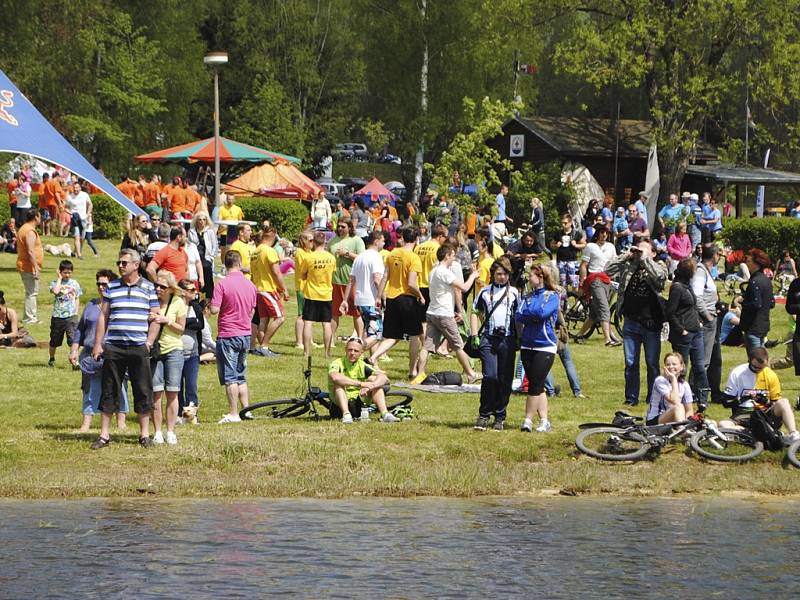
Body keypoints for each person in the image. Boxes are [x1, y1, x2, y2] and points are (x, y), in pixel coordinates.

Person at [90, 249, 161, 449]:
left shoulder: (148, 288)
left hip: (139, 346)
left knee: (142, 389)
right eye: (119, 262)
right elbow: (103, 316)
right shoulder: (111, 287)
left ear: (136, 265)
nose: (120, 266)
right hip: (114, 346)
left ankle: (144, 434)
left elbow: (155, 316)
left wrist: (149, 342)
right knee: (109, 389)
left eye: (124, 263)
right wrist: (98, 343)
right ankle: (104, 435)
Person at [606, 240, 668, 407]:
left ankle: (653, 398)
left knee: (652, 363)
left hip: (651, 323)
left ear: (653, 253)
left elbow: (660, 278)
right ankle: (631, 397)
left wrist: (645, 259)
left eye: (644, 249)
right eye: (638, 249)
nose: (639, 252)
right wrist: (625, 255)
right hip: (631, 322)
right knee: (631, 362)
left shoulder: (660, 265)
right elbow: (607, 270)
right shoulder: (629, 265)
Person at [69, 270, 129, 432]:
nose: (101, 287)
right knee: (89, 388)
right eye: (99, 284)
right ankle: (86, 422)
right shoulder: (90, 305)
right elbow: (80, 329)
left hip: (113, 353)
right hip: (90, 354)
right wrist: (74, 350)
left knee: (119, 387)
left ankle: (121, 422)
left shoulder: (118, 305)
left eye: (105, 284)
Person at [414, 244, 482, 384]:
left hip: (432, 312)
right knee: (458, 345)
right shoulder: (445, 272)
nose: (454, 258)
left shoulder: (434, 271)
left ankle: (419, 374)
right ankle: (470, 374)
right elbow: (463, 288)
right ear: (447, 256)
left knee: (427, 347)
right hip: (444, 314)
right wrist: (473, 276)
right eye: (452, 255)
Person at [469, 256, 519, 431]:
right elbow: (475, 311)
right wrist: (475, 334)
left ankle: (500, 416)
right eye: (499, 274)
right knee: (490, 376)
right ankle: (484, 414)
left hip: (508, 340)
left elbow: (519, 316)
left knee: (505, 379)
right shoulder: (484, 291)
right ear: (493, 274)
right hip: (488, 339)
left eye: (505, 274)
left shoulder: (514, 292)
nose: (502, 277)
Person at [211, 250, 258, 424]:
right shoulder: (250, 285)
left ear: (225, 264)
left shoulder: (222, 285)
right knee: (241, 375)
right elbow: (253, 309)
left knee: (230, 376)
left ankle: (233, 413)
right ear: (239, 263)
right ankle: (247, 410)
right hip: (245, 333)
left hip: (228, 333)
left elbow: (215, 309)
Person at [370, 227, 425, 377]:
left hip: (392, 298)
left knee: (393, 335)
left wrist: (379, 296)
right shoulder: (414, 258)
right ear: (416, 240)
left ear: (403, 238)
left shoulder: (392, 253)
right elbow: (412, 283)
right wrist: (420, 295)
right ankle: (412, 370)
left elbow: (385, 277)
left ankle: (374, 357)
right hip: (407, 299)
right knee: (415, 335)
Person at [719, 347, 800, 443]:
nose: (758, 370)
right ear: (749, 360)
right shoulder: (737, 373)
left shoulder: (770, 375)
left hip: (764, 414)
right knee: (722, 425)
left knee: (784, 402)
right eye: (755, 367)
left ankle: (793, 434)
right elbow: (726, 402)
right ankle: (751, 434)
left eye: (761, 368)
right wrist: (746, 397)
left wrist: (763, 400)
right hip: (744, 414)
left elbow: (775, 402)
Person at [516, 262, 560, 433]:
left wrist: (532, 315)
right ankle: (544, 420)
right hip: (527, 344)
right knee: (538, 384)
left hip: (545, 345)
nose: (528, 278)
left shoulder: (552, 296)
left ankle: (527, 419)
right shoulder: (527, 296)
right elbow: (519, 315)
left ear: (540, 277)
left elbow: (543, 314)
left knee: (534, 384)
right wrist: (533, 315)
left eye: (531, 275)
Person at [149, 270, 187, 445]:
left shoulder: (178, 302)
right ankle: (157, 431)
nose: (158, 289)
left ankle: (170, 431)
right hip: (155, 351)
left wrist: (167, 321)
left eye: (162, 287)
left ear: (171, 289)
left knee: (172, 391)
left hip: (173, 350)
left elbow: (181, 329)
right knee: (156, 392)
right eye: (156, 285)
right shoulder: (151, 301)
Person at [666, 258, 710, 410]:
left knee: (699, 366)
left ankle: (703, 397)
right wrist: (681, 329)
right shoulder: (677, 288)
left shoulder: (687, 286)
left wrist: (698, 321)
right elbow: (670, 312)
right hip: (683, 333)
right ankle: (679, 396)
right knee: (681, 367)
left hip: (695, 331)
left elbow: (692, 307)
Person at [328, 337, 399, 424]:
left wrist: (371, 386)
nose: (352, 353)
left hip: (358, 404)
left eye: (356, 351)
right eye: (350, 350)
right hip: (338, 407)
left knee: (374, 382)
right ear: (345, 350)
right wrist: (361, 384)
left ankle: (385, 414)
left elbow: (384, 378)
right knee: (338, 384)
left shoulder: (362, 365)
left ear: (361, 353)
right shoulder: (337, 363)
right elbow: (334, 377)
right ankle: (346, 414)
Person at [340, 231, 386, 349]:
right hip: (371, 300)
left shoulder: (360, 257)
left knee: (369, 331)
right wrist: (382, 296)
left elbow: (351, 280)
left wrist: (345, 300)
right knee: (378, 334)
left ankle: (371, 362)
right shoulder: (376, 256)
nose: (384, 243)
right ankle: (356, 349)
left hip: (360, 300)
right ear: (376, 242)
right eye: (383, 241)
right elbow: (377, 279)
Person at [576, 225, 619, 345]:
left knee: (595, 313)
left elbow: (615, 263)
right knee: (604, 308)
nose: (604, 235)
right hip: (595, 279)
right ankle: (608, 340)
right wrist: (581, 283)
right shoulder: (590, 246)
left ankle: (579, 335)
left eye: (606, 233)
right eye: (602, 232)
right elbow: (584, 265)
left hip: (608, 280)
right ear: (597, 234)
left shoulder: (611, 247)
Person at [251, 226, 289, 357]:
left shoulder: (256, 251)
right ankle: (264, 345)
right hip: (268, 289)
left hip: (258, 289)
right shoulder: (269, 251)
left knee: (264, 320)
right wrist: (284, 288)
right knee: (280, 318)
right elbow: (276, 272)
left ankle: (263, 348)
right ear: (273, 237)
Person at [297, 231, 336, 357]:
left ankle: (306, 352)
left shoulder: (309, 257)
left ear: (313, 242)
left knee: (308, 322)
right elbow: (333, 273)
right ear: (325, 242)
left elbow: (302, 274)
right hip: (326, 294)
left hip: (311, 294)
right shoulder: (331, 257)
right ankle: (327, 352)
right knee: (327, 324)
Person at [692, 244, 721, 406]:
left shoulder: (706, 271)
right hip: (705, 320)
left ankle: (701, 390)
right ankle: (695, 391)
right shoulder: (700, 271)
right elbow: (697, 296)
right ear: (715, 255)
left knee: (708, 359)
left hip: (711, 318)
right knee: (702, 359)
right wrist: (707, 315)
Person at [329, 219, 365, 342]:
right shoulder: (333, 241)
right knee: (334, 313)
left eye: (343, 227)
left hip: (353, 282)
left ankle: (359, 338)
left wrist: (347, 254)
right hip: (336, 281)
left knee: (356, 313)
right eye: (338, 226)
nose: (340, 229)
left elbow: (362, 258)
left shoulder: (356, 241)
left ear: (349, 228)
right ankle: (331, 339)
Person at [177, 280, 204, 424]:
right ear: (182, 291)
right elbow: (172, 322)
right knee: (177, 386)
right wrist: (189, 322)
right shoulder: (175, 305)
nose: (195, 292)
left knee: (191, 386)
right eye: (191, 290)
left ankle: (193, 416)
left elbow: (200, 324)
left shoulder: (196, 307)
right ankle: (179, 415)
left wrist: (183, 322)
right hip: (177, 352)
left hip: (193, 353)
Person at [47, 259, 83, 368]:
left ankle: (74, 362)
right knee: (54, 341)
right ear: (60, 272)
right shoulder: (54, 283)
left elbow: (77, 298)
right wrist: (59, 278)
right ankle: (52, 359)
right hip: (58, 316)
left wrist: (76, 312)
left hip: (71, 317)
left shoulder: (75, 284)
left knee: (73, 340)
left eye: (69, 272)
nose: (67, 275)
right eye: (65, 272)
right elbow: (56, 291)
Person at [739, 248, 775, 351]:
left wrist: (743, 302)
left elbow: (756, 304)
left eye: (749, 261)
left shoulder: (754, 282)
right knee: (761, 359)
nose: (747, 263)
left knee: (755, 361)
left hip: (753, 327)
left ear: (756, 264)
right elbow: (772, 303)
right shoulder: (766, 280)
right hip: (763, 326)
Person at [646, 352, 695, 425]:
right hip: (655, 420)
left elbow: (689, 410)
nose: (671, 367)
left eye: (674, 364)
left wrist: (690, 422)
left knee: (709, 422)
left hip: (675, 418)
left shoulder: (684, 384)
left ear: (681, 366)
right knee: (678, 406)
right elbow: (674, 400)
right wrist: (673, 380)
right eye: (668, 365)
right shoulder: (660, 381)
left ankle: (684, 428)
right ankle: (682, 430)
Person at [16, 209, 43, 324]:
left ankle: (28, 316)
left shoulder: (24, 228)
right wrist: (36, 268)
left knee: (30, 292)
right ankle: (30, 318)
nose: (40, 218)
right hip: (29, 267)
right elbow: (30, 251)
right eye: (39, 216)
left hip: (26, 265)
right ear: (36, 217)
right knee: (32, 292)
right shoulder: (29, 231)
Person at [187, 211, 218, 298]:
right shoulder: (191, 232)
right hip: (196, 256)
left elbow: (214, 246)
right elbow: (190, 245)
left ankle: (209, 295)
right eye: (200, 220)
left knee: (207, 269)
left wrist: (211, 257)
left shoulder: (210, 232)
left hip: (207, 256)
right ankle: (197, 292)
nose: (202, 222)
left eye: (204, 220)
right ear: (196, 221)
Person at [551, 213, 585, 290]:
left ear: (570, 223)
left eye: (565, 223)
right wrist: (556, 246)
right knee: (563, 283)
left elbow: (584, 244)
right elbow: (551, 244)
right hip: (561, 261)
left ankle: (575, 298)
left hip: (572, 261)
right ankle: (564, 299)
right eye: (562, 223)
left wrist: (576, 245)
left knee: (574, 283)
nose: (563, 225)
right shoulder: (558, 233)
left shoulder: (576, 233)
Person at [293, 230, 314, 348]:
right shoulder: (300, 252)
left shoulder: (310, 252)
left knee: (309, 315)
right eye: (310, 240)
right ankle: (299, 342)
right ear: (303, 241)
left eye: (313, 240)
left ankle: (309, 340)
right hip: (302, 287)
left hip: (310, 287)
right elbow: (304, 270)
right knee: (301, 314)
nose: (312, 242)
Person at [66, 181, 92, 259]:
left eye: (77, 188)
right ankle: (79, 255)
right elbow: (65, 207)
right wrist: (70, 213)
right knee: (77, 236)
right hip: (74, 219)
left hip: (83, 218)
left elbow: (90, 204)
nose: (75, 189)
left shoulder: (84, 195)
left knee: (82, 238)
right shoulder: (69, 197)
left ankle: (75, 251)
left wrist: (88, 214)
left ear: (80, 188)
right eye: (74, 188)